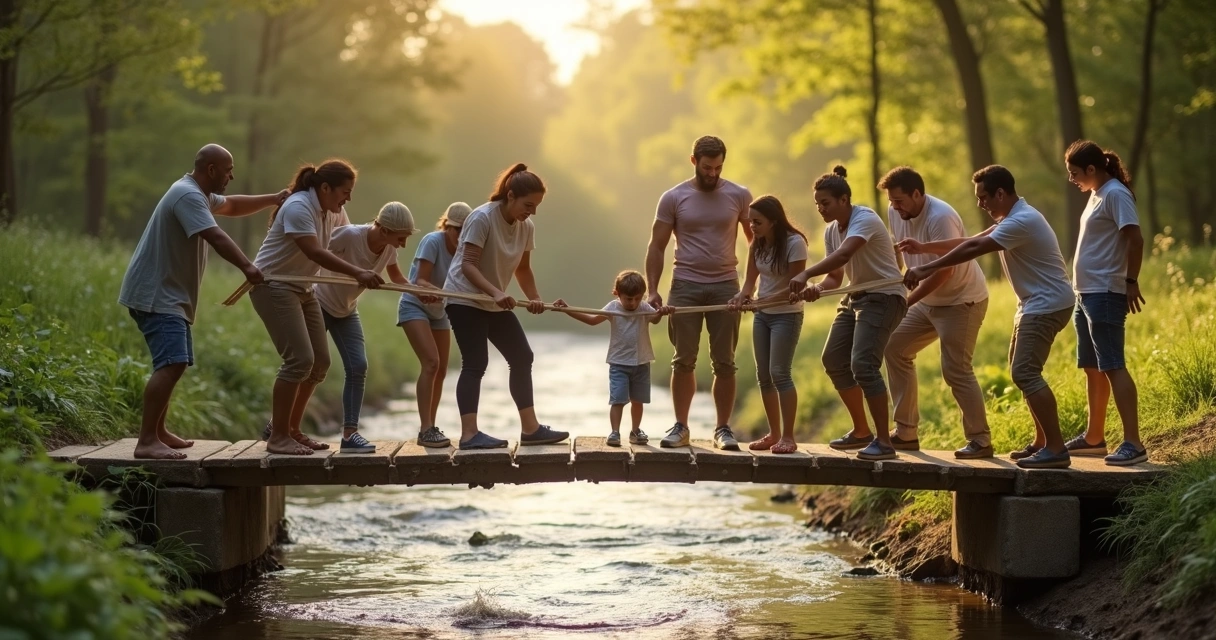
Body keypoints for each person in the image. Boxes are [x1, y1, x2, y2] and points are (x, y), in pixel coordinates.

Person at [119, 144, 286, 460]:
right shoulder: (188, 196)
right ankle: (146, 441)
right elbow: (216, 235)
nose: (232, 176)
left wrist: (273, 199)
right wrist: (249, 267)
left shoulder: (199, 194)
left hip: (168, 295)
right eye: (228, 170)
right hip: (156, 294)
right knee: (172, 363)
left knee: (174, 363)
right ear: (211, 169)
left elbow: (233, 206)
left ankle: (159, 431)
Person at [903, 165, 1076, 469]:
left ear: (1000, 193)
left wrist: (924, 267)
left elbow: (974, 247)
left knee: (1024, 373)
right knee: (1022, 372)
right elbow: (970, 240)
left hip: (1046, 305)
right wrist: (924, 247)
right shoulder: (1012, 217)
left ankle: (1056, 449)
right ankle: (1042, 442)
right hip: (1034, 304)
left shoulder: (1020, 221)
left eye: (984, 197)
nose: (980, 204)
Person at [250, 160, 384, 456]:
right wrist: (357, 273)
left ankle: (293, 430)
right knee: (299, 359)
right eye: (344, 192)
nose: (347, 199)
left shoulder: (331, 210)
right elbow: (314, 252)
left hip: (303, 288)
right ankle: (279, 436)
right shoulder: (300, 206)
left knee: (320, 361)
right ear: (325, 188)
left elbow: (353, 239)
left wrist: (381, 242)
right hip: (273, 285)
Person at [443, 163, 569, 450]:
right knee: (476, 363)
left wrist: (535, 297)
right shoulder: (481, 218)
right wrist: (496, 292)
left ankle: (531, 429)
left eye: (536, 206)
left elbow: (523, 270)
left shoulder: (526, 226)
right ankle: (469, 435)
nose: (532, 211)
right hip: (464, 298)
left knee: (522, 357)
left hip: (493, 299)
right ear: (510, 195)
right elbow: (468, 265)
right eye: (528, 204)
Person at [789, 166, 908, 461]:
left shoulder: (864, 218)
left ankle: (884, 442)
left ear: (844, 200)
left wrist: (804, 275)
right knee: (833, 359)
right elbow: (836, 277)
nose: (820, 209)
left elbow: (843, 255)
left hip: (884, 298)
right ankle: (861, 432)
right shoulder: (832, 230)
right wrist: (816, 286)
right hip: (855, 296)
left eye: (825, 203)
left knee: (864, 365)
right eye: (817, 204)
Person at [644, 135, 753, 450]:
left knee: (725, 362)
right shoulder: (673, 197)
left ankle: (723, 429)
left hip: (726, 286)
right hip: (685, 285)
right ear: (693, 161)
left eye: (718, 167)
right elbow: (657, 245)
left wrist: (748, 287)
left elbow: (755, 241)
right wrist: (653, 291)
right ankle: (681, 427)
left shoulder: (739, 195)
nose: (713, 173)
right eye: (707, 167)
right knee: (683, 360)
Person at [881, 166, 993, 459]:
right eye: (891, 201)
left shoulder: (940, 217)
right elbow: (904, 256)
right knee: (894, 347)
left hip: (962, 301)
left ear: (917, 194)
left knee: (956, 370)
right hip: (928, 301)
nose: (894, 206)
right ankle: (905, 432)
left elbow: (945, 272)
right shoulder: (896, 212)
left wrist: (906, 301)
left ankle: (980, 440)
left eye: (900, 200)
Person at [1064, 140, 1147, 466]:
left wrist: (1130, 281)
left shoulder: (1115, 194)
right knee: (1092, 367)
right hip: (1085, 294)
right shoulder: (1096, 194)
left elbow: (1135, 238)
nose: (1072, 180)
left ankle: (1134, 443)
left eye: (1075, 173)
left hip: (1105, 292)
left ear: (1092, 169)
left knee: (1112, 364)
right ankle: (1094, 437)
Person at [311, 202, 415, 453]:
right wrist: (357, 273)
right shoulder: (349, 235)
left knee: (358, 366)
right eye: (401, 238)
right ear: (384, 230)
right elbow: (315, 253)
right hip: (319, 304)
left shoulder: (389, 249)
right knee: (308, 365)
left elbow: (398, 278)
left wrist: (421, 292)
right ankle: (279, 425)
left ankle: (349, 435)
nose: (403, 244)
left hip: (347, 310)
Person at [727, 195, 808, 454]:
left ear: (774, 221)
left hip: (787, 314)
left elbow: (795, 289)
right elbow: (750, 283)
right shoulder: (756, 245)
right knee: (764, 376)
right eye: (750, 222)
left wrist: (762, 302)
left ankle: (788, 436)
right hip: (762, 315)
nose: (752, 226)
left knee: (779, 372)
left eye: (757, 221)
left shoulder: (796, 244)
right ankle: (773, 434)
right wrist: (742, 297)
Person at [557, 271, 673, 446]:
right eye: (628, 299)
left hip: (642, 362)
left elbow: (655, 319)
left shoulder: (643, 307)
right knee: (618, 400)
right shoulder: (613, 308)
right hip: (619, 363)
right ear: (617, 294)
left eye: (637, 298)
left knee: (638, 400)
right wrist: (567, 310)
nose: (633, 303)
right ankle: (615, 432)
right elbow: (591, 320)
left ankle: (635, 431)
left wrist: (663, 312)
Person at [397, 202, 472, 449]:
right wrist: (433, 292)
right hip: (414, 305)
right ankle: (425, 428)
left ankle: (432, 426)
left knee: (440, 370)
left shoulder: (468, 251)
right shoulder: (433, 241)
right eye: (456, 229)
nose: (460, 236)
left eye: (465, 230)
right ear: (447, 226)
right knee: (430, 363)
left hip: (440, 310)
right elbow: (420, 280)